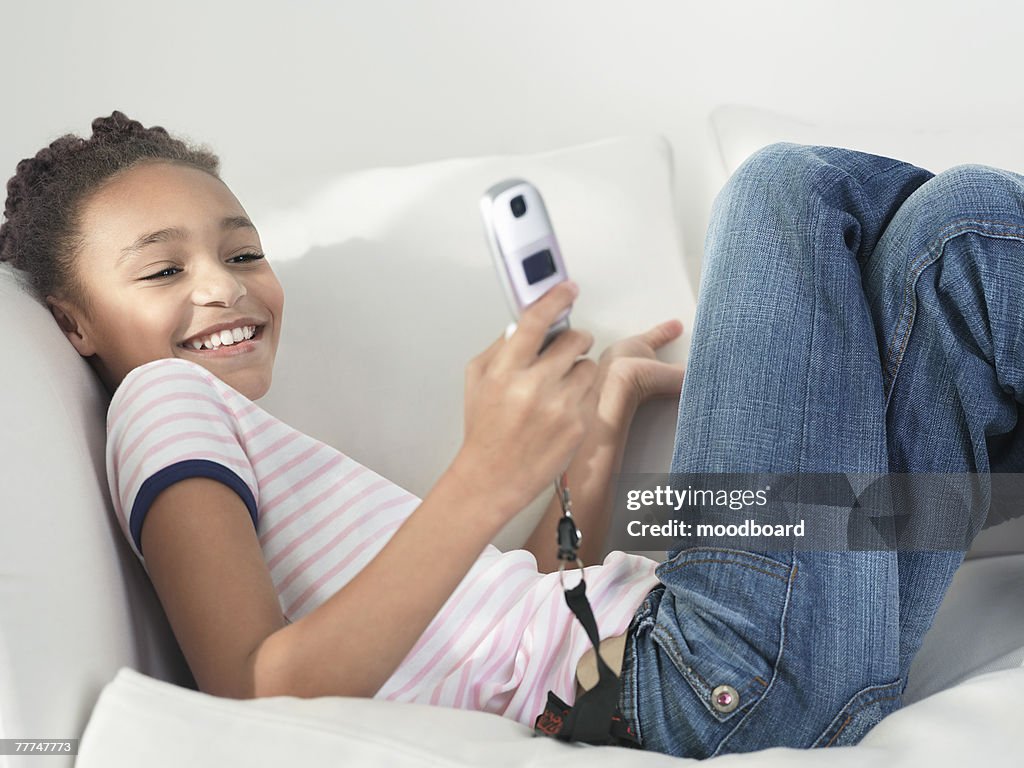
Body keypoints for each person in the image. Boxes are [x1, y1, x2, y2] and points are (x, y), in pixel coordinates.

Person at [0, 111, 1014, 759]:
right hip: (698, 675)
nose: (221, 285)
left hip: (737, 655)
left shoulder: (256, 446)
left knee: (947, 248)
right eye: (162, 270)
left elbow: (511, 617)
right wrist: (481, 475)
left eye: (241, 251)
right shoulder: (161, 403)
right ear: (73, 320)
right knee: (783, 185)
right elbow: (259, 690)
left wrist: (592, 438)